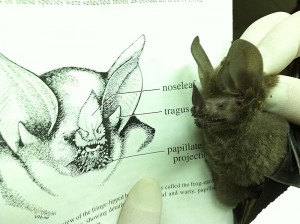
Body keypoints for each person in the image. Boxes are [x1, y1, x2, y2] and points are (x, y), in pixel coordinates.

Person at [117, 11, 300, 224]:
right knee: (228, 194)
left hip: (270, 171)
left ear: (243, 99)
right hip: (237, 182)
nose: (206, 108)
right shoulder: (215, 122)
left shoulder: (262, 122)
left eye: (220, 105)